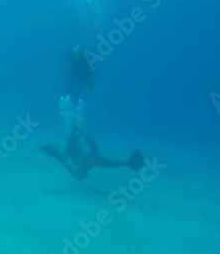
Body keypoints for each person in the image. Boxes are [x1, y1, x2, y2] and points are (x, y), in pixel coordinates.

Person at [38, 45, 145, 181]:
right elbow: (89, 153)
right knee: (86, 159)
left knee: (82, 164)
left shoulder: (82, 158)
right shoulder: (84, 155)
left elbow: (71, 153)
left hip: (85, 153)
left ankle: (129, 162)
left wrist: (63, 157)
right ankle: (129, 162)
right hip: (86, 152)